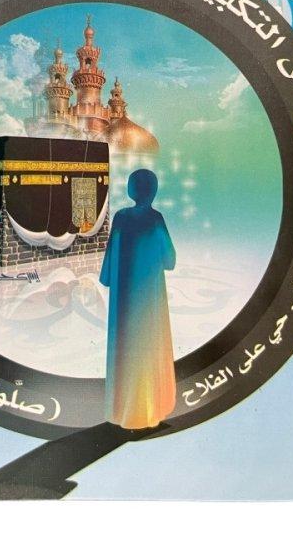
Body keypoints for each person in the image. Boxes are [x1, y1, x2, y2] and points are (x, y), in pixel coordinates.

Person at [99, 168, 176, 429]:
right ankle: (150, 411)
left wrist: (108, 278)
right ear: (153, 191)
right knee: (149, 349)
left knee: (125, 353)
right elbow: (170, 260)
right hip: (149, 301)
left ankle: (123, 412)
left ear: (131, 190)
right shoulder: (156, 219)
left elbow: (109, 263)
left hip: (124, 301)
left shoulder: (121, 218)